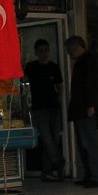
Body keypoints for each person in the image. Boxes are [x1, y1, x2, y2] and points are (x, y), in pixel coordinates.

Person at [64, 35, 98, 188]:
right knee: (83, 143)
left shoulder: (90, 61)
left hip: (86, 109)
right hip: (80, 109)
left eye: (70, 50)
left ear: (78, 47)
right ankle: (89, 174)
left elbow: (93, 84)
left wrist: (92, 105)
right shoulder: (82, 62)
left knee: (89, 143)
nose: (69, 53)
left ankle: (95, 175)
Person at [24, 38, 65, 182]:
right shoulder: (31, 67)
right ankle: (59, 163)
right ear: (36, 52)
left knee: (54, 139)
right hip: (38, 109)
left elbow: (60, 86)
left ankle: (47, 172)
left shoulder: (54, 67)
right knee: (47, 139)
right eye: (41, 51)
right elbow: (22, 79)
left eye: (46, 50)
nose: (44, 53)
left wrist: (59, 101)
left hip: (53, 107)